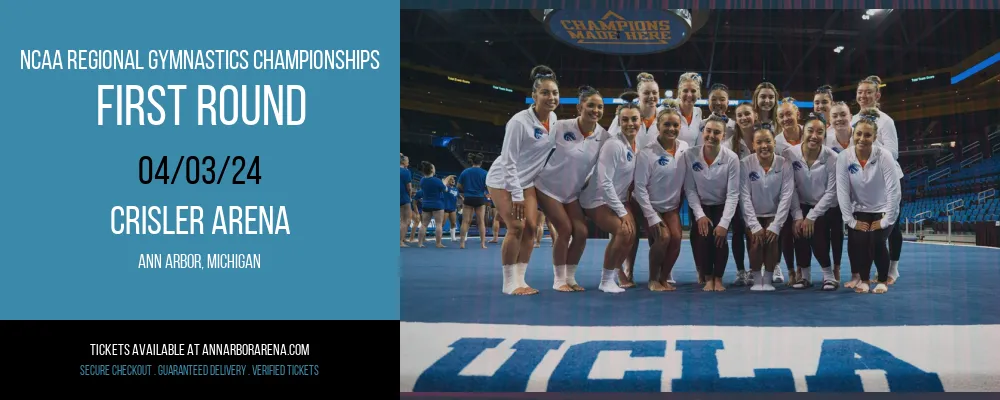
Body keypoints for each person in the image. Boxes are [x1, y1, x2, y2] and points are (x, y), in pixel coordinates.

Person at [485, 65, 560, 296]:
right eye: (545, 93)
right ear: (534, 95)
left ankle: (521, 280)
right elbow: (508, 161)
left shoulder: (554, 119)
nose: (551, 97)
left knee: (531, 229)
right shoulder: (519, 122)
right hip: (502, 180)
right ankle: (509, 283)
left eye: (555, 93)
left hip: (526, 181)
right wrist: (517, 195)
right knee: (516, 227)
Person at [535, 85, 610, 292]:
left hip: (572, 193)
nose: (596, 110)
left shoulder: (604, 137)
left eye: (600, 107)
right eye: (591, 105)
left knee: (582, 232)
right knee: (565, 229)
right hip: (547, 187)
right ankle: (558, 279)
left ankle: (570, 277)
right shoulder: (560, 126)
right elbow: (534, 146)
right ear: (579, 107)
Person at [580, 91, 641, 294]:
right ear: (619, 121)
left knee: (630, 235)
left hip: (618, 199)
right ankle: (605, 280)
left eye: (634, 119)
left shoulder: (636, 145)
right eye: (625, 120)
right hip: (596, 199)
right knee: (623, 231)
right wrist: (622, 212)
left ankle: (614, 276)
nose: (630, 123)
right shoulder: (614, 145)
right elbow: (605, 183)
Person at [836, 108, 902, 294]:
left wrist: (886, 220)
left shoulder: (884, 156)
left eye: (867, 135)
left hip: (884, 208)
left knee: (877, 240)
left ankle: (881, 279)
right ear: (853, 135)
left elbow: (893, 191)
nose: (862, 139)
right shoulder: (844, 157)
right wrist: (851, 221)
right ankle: (864, 280)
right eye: (858, 134)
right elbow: (842, 191)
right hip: (860, 208)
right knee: (860, 240)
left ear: (874, 137)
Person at [607, 73, 662, 288]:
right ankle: (623, 269)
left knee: (652, 228)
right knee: (630, 229)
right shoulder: (626, 117)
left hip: (653, 184)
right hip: (627, 183)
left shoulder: (664, 117)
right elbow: (610, 144)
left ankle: (657, 271)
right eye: (646, 93)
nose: (650, 97)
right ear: (638, 95)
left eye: (654, 93)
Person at [852, 75, 903, 285]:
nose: (863, 96)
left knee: (891, 227)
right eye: (860, 92)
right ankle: (869, 271)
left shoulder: (885, 120)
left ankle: (893, 269)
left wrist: (870, 145)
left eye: (868, 92)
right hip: (864, 181)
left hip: (888, 178)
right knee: (868, 229)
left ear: (877, 95)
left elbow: (894, 152)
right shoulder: (853, 120)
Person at [633, 100, 689, 291]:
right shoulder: (646, 153)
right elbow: (639, 188)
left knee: (676, 238)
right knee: (663, 237)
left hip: (671, 206)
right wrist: (651, 216)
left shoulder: (685, 148)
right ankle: (652, 279)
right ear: (658, 126)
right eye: (666, 124)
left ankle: (664, 278)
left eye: (675, 125)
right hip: (648, 205)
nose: (671, 129)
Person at [683, 114, 741, 291]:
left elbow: (733, 194)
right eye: (708, 131)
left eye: (717, 132)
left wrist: (724, 223)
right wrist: (699, 215)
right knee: (702, 237)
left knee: (719, 238)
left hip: (723, 204)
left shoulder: (731, 158)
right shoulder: (690, 154)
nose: (712, 136)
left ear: (723, 136)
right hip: (701, 204)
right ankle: (708, 276)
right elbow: (690, 189)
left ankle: (718, 278)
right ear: (702, 132)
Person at [786, 113, 840, 290]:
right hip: (800, 204)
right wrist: (798, 215)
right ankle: (805, 276)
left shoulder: (832, 158)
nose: (814, 136)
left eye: (820, 132)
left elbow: (831, 192)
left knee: (817, 232)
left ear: (824, 135)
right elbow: (790, 188)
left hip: (824, 207)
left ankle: (828, 275)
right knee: (799, 230)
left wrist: (812, 216)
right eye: (810, 130)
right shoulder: (789, 154)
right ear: (803, 131)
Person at [740, 123, 795, 291]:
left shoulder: (785, 164)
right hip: (753, 213)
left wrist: (776, 225)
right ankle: (757, 280)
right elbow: (744, 197)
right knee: (756, 241)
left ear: (774, 143)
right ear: (753, 145)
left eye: (768, 141)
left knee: (771, 241)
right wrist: (754, 225)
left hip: (774, 212)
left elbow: (786, 196)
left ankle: (769, 279)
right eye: (759, 142)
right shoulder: (745, 164)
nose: (764, 146)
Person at [724, 103, 756, 286]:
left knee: (753, 232)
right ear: (736, 119)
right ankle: (740, 270)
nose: (744, 118)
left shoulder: (763, 139)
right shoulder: (730, 144)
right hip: (736, 194)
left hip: (759, 194)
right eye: (740, 115)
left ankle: (753, 269)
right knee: (738, 232)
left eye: (747, 114)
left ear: (755, 116)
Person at [457, 153, 489, 249]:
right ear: (481, 162)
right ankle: (483, 244)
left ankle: (462, 243)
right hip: (479, 198)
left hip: (468, 198)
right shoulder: (485, 173)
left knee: (465, 221)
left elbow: (458, 186)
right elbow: (488, 186)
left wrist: (466, 191)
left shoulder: (465, 172)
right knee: (481, 222)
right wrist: (483, 192)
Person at [418, 161, 448, 248]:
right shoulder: (437, 181)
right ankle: (438, 243)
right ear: (431, 170)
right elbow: (445, 190)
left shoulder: (422, 180)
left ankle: (420, 243)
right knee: (439, 224)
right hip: (437, 204)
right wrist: (443, 183)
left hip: (426, 204)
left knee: (424, 224)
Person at [400, 154, 413, 247]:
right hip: (403, 197)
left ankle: (402, 238)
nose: (408, 162)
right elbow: (409, 187)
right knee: (405, 220)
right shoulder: (406, 172)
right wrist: (410, 196)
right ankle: (400, 241)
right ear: (403, 162)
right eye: (407, 161)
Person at [443, 176, 460, 242]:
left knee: (453, 223)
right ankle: (438, 237)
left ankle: (453, 238)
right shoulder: (446, 188)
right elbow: (443, 184)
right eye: (451, 179)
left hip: (453, 209)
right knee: (442, 224)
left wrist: (462, 199)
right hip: (445, 208)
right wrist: (448, 177)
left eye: (454, 179)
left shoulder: (456, 189)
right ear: (448, 181)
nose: (453, 180)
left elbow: (458, 197)